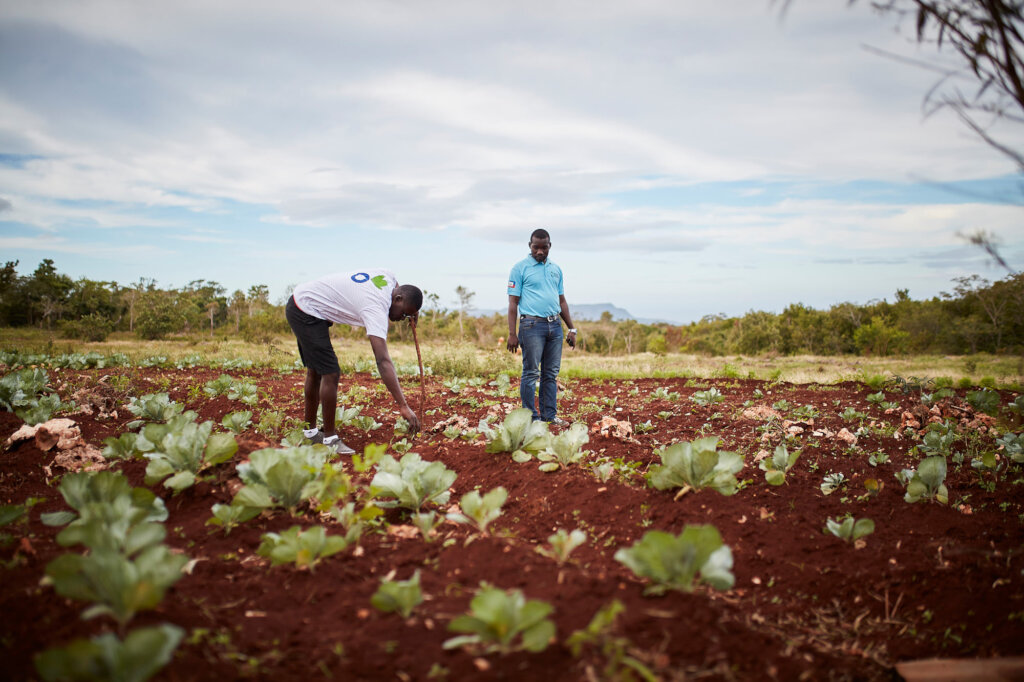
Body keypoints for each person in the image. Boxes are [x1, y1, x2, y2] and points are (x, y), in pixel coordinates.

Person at [285, 269, 422, 454]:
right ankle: (330, 440)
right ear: (397, 300)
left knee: (316, 370)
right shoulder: (375, 307)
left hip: (305, 302)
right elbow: (382, 361)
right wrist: (403, 406)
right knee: (330, 372)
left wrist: (413, 311)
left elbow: (400, 287)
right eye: (404, 313)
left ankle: (310, 433)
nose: (401, 319)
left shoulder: (389, 280)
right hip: (306, 310)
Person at [506, 229, 577, 425]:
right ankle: (531, 418)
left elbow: (561, 301)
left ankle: (549, 417)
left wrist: (571, 328)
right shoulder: (519, 268)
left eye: (543, 247)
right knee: (530, 373)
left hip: (554, 327)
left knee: (551, 374)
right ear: (530, 245)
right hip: (531, 326)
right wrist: (512, 333)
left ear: (549, 246)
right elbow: (513, 304)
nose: (539, 251)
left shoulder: (556, 269)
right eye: (535, 247)